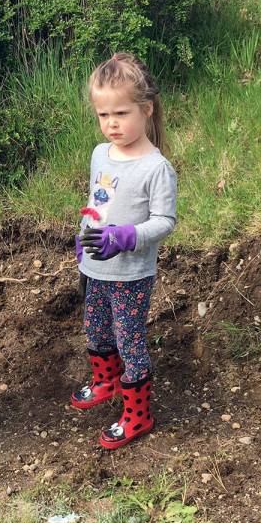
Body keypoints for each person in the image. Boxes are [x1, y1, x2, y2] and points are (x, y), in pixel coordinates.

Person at [71, 53, 177, 450]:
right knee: (96, 327)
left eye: (120, 112)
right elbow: (96, 202)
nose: (111, 123)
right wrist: (85, 238)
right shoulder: (101, 154)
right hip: (96, 268)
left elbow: (165, 221)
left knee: (129, 337)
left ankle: (138, 413)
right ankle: (105, 381)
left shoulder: (156, 168)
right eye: (103, 115)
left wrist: (127, 236)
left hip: (130, 274)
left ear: (146, 110)